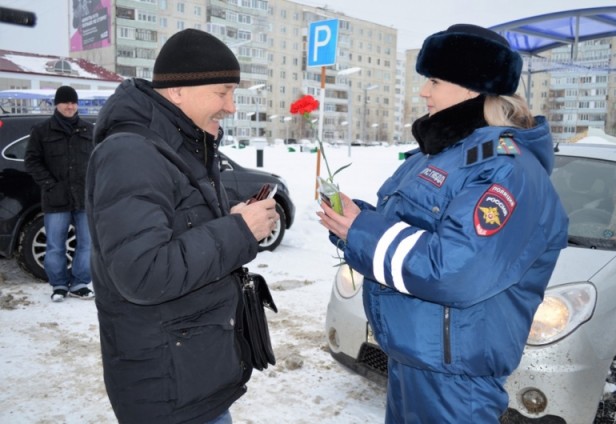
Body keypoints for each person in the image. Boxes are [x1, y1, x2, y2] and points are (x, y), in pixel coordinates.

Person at [317, 24, 568, 423]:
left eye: (433, 80)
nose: (423, 92)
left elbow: (455, 270)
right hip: (412, 359)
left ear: (472, 87)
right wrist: (354, 220)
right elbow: (410, 227)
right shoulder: (436, 157)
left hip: (454, 380)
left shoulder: (507, 171)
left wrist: (361, 231)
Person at [85, 29, 279, 423]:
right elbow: (143, 273)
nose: (232, 107)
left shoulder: (178, 145)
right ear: (177, 92)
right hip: (167, 387)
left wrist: (233, 221)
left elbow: (179, 234)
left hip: (190, 370)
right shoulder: (131, 153)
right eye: (222, 92)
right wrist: (238, 230)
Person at [24, 85, 94, 302]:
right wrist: (50, 184)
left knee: (88, 244)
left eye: (73, 102)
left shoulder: (89, 130)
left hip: (83, 198)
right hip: (56, 199)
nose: (70, 106)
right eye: (65, 102)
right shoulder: (42, 130)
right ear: (57, 104)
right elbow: (32, 161)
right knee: (55, 245)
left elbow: (98, 160)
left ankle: (80, 283)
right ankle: (60, 285)